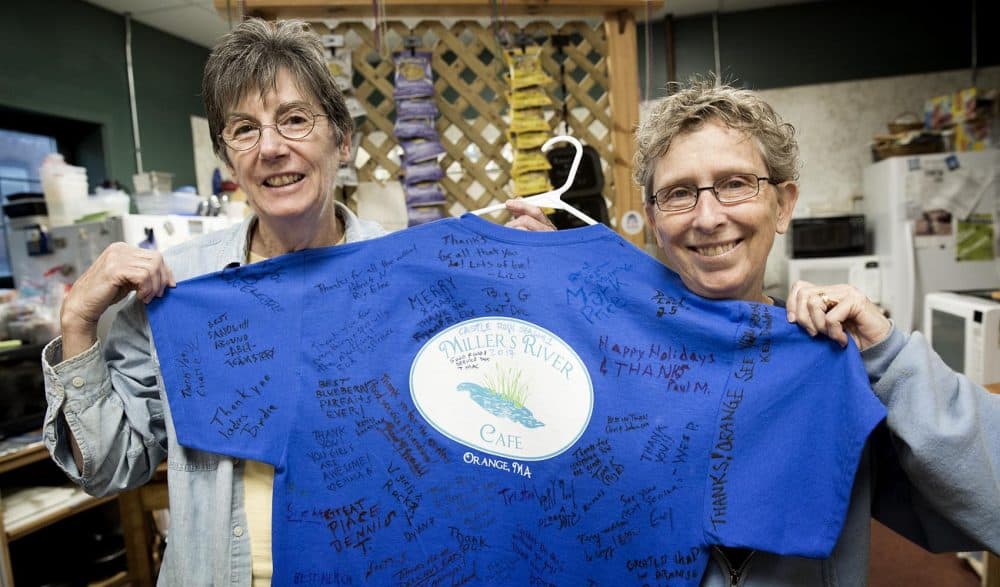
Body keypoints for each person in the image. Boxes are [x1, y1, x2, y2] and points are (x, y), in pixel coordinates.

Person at [39, 18, 544, 586]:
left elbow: (507, 420)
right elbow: (106, 469)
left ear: (342, 140)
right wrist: (79, 321)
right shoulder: (175, 289)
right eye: (244, 129)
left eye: (295, 119)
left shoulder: (413, 276)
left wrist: (540, 290)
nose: (272, 148)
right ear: (229, 161)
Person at [632, 77, 998, 584]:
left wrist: (888, 357)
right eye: (678, 193)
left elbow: (991, 502)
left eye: (736, 183)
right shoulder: (620, 361)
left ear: (783, 205)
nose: (709, 216)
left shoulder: (832, 358)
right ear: (654, 218)